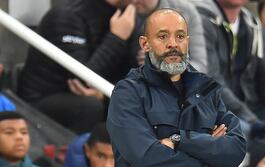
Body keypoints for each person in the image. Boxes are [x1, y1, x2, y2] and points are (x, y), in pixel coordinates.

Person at [106, 8, 246, 167]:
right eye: (163, 36)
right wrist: (207, 158)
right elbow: (147, 156)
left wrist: (179, 139)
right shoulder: (128, 92)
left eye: (180, 36)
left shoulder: (208, 91)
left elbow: (234, 151)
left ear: (188, 41)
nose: (173, 44)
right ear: (145, 43)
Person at [18, 0, 207, 134]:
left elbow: (136, 73)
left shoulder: (132, 16)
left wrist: (107, 93)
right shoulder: (67, 15)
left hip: (101, 94)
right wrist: (116, 38)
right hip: (45, 101)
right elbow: (81, 78)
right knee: (89, 106)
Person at [192, 0, 265, 134]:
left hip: (252, 110)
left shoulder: (253, 25)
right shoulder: (199, 20)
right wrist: (252, 121)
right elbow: (210, 81)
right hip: (215, 114)